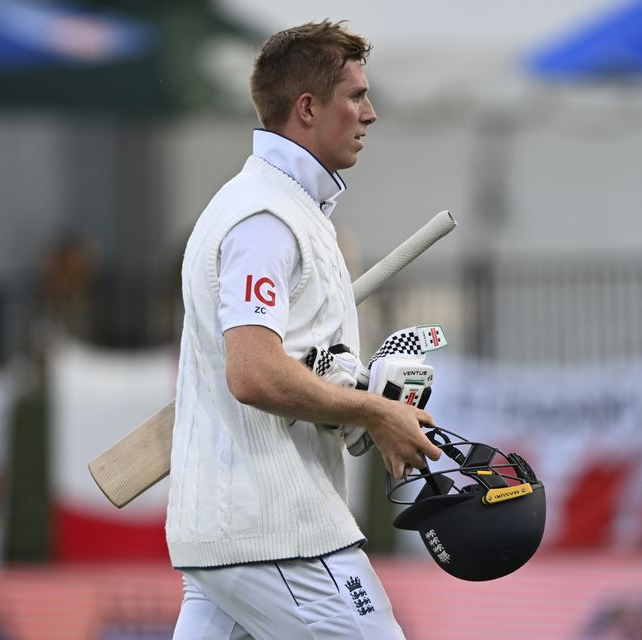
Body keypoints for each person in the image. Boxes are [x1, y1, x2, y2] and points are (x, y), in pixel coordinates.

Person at [166, 20, 442, 639]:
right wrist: (372, 411)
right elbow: (253, 372)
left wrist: (358, 387)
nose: (370, 114)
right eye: (356, 96)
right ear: (308, 108)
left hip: (231, 534)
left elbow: (288, 365)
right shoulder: (263, 218)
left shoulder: (285, 207)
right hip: (275, 530)